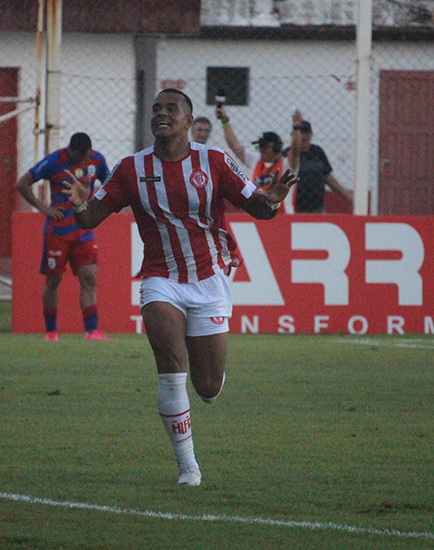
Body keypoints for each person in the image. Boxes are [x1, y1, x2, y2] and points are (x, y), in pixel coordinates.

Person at [62, 89, 298, 486]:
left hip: (209, 279)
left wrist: (272, 200)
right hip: (161, 278)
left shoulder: (214, 161)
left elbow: (258, 208)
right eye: (156, 108)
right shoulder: (131, 168)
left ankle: (208, 376)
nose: (162, 113)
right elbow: (89, 219)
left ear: (189, 121)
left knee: (207, 386)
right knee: (171, 367)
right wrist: (81, 204)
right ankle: (188, 466)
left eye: (171, 109)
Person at [15, 132, 111, 341]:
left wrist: (96, 207)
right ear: (72, 151)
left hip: (84, 230)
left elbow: (111, 186)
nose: (84, 160)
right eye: (80, 157)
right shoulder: (55, 160)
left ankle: (92, 331)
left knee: (89, 277)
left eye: (87, 156)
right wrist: (44, 208)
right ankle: (51, 332)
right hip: (58, 232)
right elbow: (22, 183)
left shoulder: (97, 160)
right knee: (53, 281)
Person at [215, 104, 302, 213]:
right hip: (259, 213)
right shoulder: (255, 160)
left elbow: (295, 150)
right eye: (260, 147)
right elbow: (234, 145)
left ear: (276, 147)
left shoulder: (286, 164)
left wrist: (296, 128)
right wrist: (225, 121)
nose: (261, 150)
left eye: (265, 147)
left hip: (283, 215)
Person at [283, 120, 353, 213]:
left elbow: (327, 177)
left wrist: (346, 194)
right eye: (300, 133)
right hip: (295, 210)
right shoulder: (287, 154)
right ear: (294, 136)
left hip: (317, 209)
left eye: (306, 133)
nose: (303, 137)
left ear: (311, 135)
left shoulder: (317, 152)